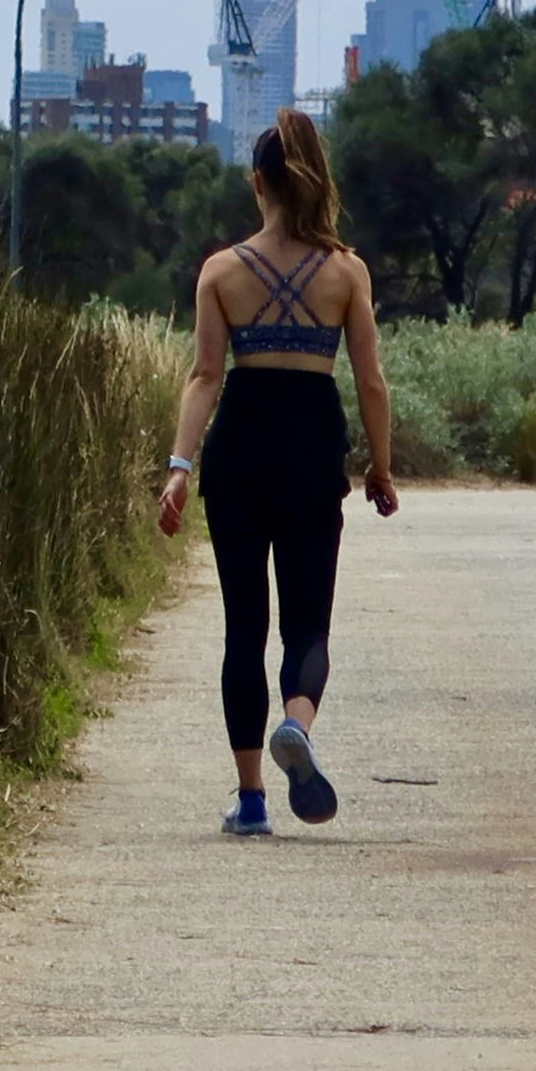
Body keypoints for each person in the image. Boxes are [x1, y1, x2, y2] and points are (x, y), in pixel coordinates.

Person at [152, 107, 400, 835]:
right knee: (307, 627)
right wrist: (380, 469)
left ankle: (253, 800)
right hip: (311, 445)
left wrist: (178, 467)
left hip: (239, 449)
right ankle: (297, 723)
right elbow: (372, 381)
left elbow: (203, 376)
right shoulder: (346, 271)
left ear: (257, 182)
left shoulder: (222, 271)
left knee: (243, 630)